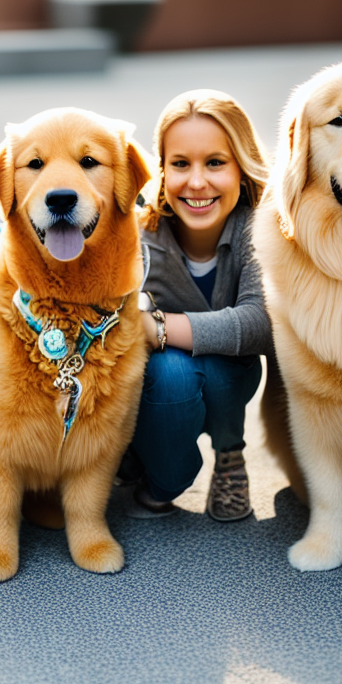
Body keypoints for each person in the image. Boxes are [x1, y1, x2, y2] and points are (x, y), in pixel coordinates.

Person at [124, 89, 272, 522]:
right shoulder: (140, 232)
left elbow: (261, 323)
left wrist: (159, 328)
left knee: (213, 369)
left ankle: (229, 453)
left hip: (232, 376)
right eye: (180, 164)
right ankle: (157, 469)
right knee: (170, 372)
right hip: (164, 382)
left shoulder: (258, 228)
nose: (196, 182)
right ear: (162, 170)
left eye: (215, 163)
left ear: (241, 169)